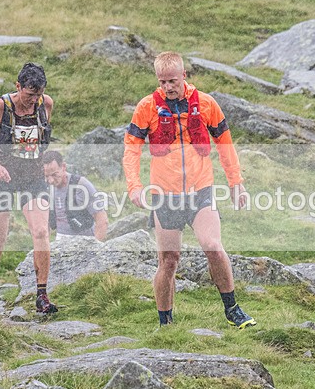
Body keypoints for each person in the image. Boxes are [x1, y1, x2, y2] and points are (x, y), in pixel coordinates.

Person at [123, 51, 255, 329]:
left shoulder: (206, 104)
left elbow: (225, 145)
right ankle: (165, 324)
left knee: (212, 246)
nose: (168, 86)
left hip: (200, 191)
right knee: (169, 260)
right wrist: (134, 186)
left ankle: (232, 309)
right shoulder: (147, 107)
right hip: (165, 195)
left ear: (184, 76)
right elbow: (131, 149)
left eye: (172, 80)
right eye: (162, 82)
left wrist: (236, 183)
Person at [0, 62, 57, 315]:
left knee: (41, 232)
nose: (33, 101)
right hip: (2, 177)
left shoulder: (46, 104)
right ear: (17, 86)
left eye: (38, 95)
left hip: (33, 177)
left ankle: (42, 295)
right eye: (29, 95)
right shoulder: (0, 106)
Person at [41, 150, 109, 241]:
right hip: (60, 241)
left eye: (54, 175)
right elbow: (45, 223)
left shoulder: (81, 185)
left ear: (63, 167)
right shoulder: (46, 187)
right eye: (47, 176)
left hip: (84, 241)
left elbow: (102, 221)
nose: (51, 181)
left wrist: (95, 249)